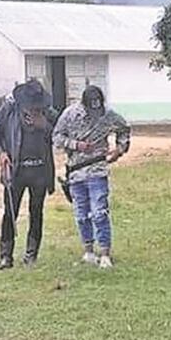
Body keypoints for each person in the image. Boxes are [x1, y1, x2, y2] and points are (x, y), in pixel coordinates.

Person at [53, 85, 131, 269]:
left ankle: (105, 253)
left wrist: (119, 150)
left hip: (98, 169)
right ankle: (88, 251)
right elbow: (56, 137)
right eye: (92, 106)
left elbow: (124, 129)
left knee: (99, 212)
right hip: (76, 170)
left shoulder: (108, 114)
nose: (95, 109)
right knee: (81, 214)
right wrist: (76, 145)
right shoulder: (70, 114)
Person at [0, 79, 57, 269]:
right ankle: (5, 256)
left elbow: (60, 136)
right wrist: (1, 153)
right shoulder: (9, 109)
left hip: (40, 171)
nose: (34, 109)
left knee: (36, 212)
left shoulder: (48, 113)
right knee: (10, 212)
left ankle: (31, 255)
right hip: (15, 170)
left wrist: (45, 126)